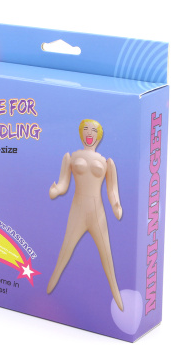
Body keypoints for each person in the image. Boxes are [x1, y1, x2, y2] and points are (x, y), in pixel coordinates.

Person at [48, 119, 124, 311]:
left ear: (99, 135)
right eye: (86, 129)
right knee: (65, 250)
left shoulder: (107, 163)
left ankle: (116, 294)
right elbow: (64, 183)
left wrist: (116, 206)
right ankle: (52, 283)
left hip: (97, 212)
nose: (89, 134)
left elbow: (112, 190)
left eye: (94, 131)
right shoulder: (71, 157)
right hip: (77, 210)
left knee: (107, 255)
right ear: (81, 133)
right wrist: (56, 190)